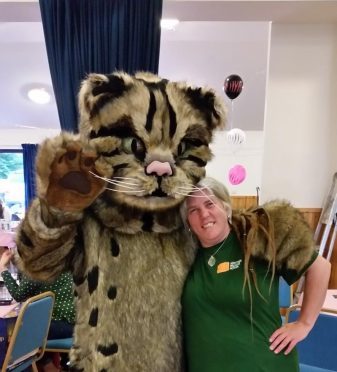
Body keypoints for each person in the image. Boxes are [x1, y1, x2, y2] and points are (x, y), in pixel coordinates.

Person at [180, 177, 331, 372]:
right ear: (187, 221)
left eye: (210, 203)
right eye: (193, 210)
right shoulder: (185, 256)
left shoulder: (256, 238)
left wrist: (304, 323)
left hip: (264, 365)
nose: (204, 214)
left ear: (225, 207)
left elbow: (319, 267)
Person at [0, 250, 75, 372]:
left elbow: (19, 295)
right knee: (32, 328)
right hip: (76, 322)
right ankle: (53, 366)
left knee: (20, 333)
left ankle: (49, 367)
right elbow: (26, 287)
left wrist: (3, 268)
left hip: (62, 325)